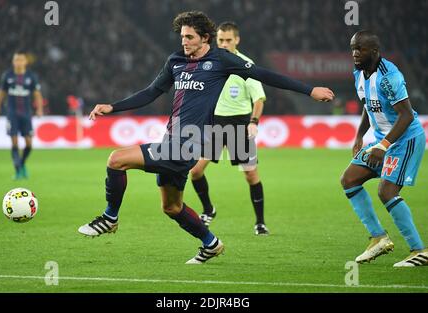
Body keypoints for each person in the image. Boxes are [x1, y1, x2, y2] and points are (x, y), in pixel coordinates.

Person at [78, 11, 334, 264]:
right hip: (171, 140)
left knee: (116, 159)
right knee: (172, 208)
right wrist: (113, 107)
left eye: (189, 37)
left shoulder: (222, 60)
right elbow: (151, 92)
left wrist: (310, 90)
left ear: (205, 38)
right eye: (182, 37)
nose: (184, 42)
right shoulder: (175, 61)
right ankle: (211, 244)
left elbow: (264, 75)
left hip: (190, 144)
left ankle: (110, 218)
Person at [340, 30, 427, 267]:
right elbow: (369, 106)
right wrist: (359, 136)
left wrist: (383, 145)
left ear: (375, 52)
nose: (355, 53)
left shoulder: (390, 77)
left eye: (361, 49)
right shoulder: (359, 73)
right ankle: (378, 237)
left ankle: (420, 250)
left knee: (386, 191)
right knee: (349, 179)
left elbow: (407, 115)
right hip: (380, 142)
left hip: (404, 140)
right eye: (353, 48)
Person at [190, 22, 269, 235]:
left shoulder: (245, 65)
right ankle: (208, 210)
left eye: (228, 40)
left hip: (239, 125)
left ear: (237, 40)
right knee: (195, 171)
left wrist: (253, 122)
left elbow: (259, 98)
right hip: (214, 123)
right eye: (221, 40)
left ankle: (260, 222)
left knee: (251, 176)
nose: (224, 44)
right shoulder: (209, 62)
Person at [0, 51, 44, 180]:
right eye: (16, 60)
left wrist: (39, 109)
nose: (18, 62)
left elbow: (37, 94)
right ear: (13, 61)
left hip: (26, 114)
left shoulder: (31, 76)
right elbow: (0, 95)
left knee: (29, 144)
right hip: (12, 114)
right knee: (14, 142)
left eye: (21, 60)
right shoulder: (8, 76)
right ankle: (17, 170)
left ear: (25, 62)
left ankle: (21, 164)